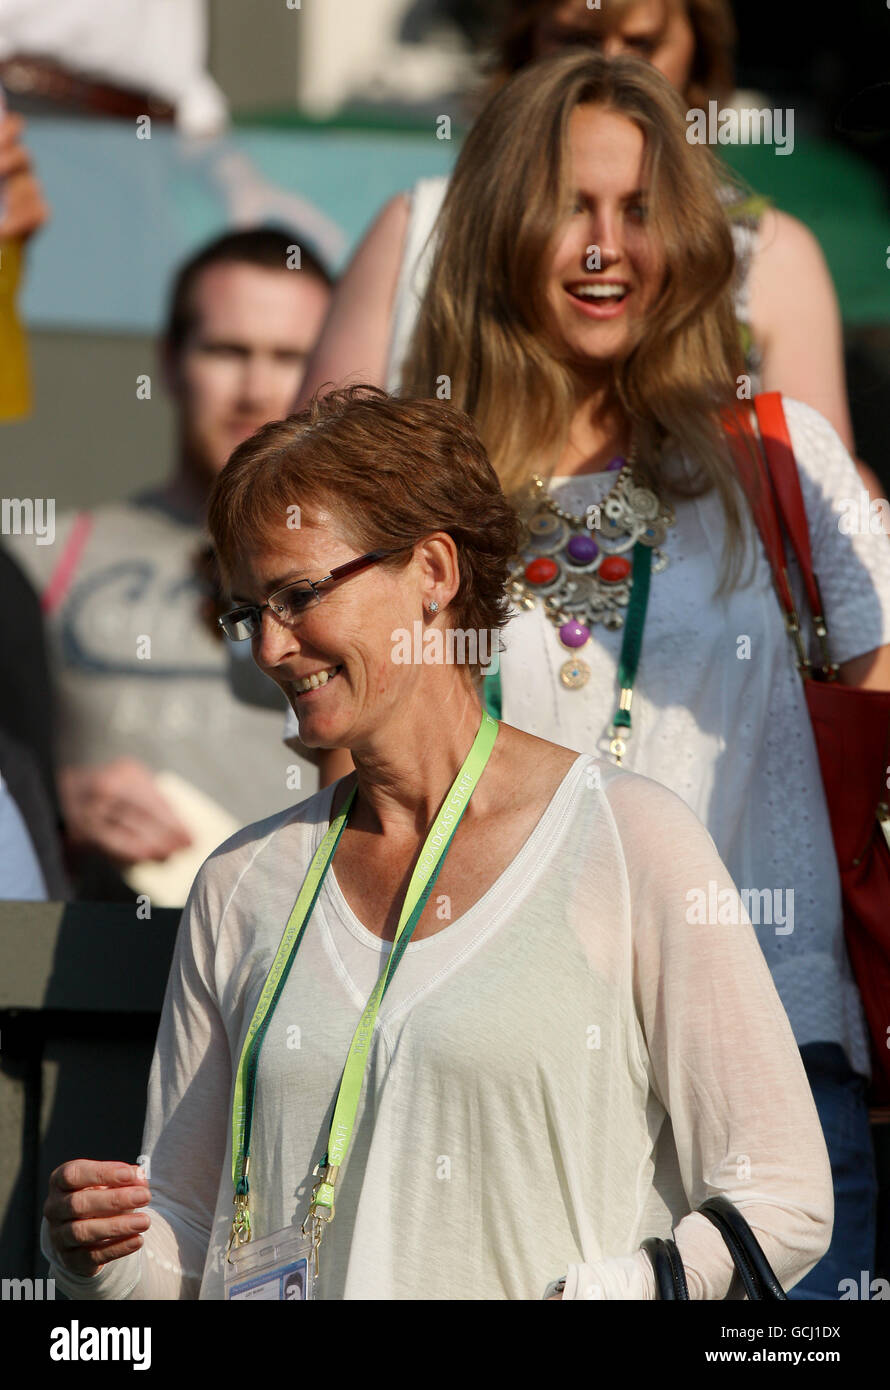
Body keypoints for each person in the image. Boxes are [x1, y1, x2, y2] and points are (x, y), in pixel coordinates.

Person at [40, 386, 832, 1300]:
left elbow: (782, 1193)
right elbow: (183, 1228)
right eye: (246, 611)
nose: (267, 647)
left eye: (297, 596)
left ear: (434, 572)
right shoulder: (241, 881)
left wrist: (609, 1295)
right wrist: (99, 1253)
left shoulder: (630, 839)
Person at [391, 52, 890, 1299]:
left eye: (635, 212)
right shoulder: (412, 496)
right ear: (500, 221)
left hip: (773, 1067)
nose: (603, 247)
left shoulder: (778, 457)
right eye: (568, 204)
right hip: (514, 1075)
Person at [295, 0, 876, 488]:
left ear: (700, 54)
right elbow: (315, 499)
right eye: (575, 39)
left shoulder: (769, 252)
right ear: (523, 48)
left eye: (643, 42)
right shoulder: (420, 226)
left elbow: (824, 508)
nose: (609, 65)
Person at [3, 227, 331, 902]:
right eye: (226, 350)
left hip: (291, 966)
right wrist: (51, 806)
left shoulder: (381, 579)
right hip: (84, 972)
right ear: (170, 360)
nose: (255, 389)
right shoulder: (42, 557)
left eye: (289, 358)